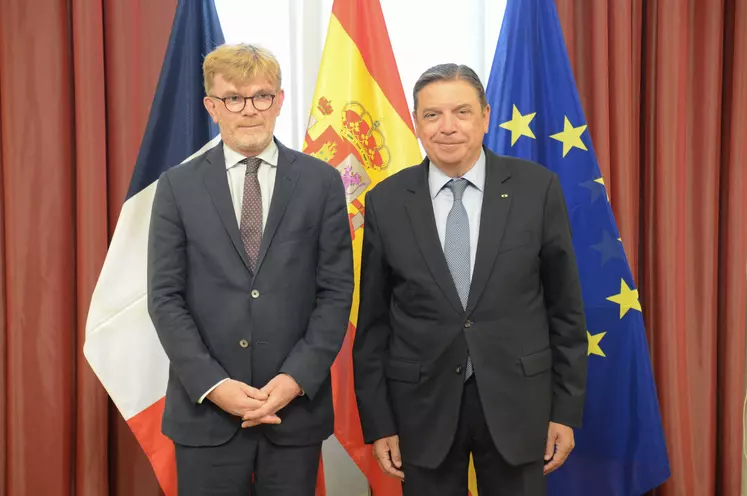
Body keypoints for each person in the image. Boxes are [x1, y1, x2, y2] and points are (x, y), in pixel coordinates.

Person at [352, 63, 588, 496]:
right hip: (421, 410)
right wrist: (379, 422)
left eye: (461, 112)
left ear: (484, 116)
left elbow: (566, 312)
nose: (448, 127)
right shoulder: (385, 201)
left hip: (520, 405)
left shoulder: (537, 189)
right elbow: (373, 326)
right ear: (417, 123)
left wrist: (565, 412)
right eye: (432, 115)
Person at [147, 43, 353, 496]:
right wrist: (214, 385)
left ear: (279, 101)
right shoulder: (177, 186)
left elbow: (337, 293)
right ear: (212, 107)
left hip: (293, 412)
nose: (249, 110)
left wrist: (296, 378)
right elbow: (164, 298)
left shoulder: (321, 183)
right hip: (206, 413)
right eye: (233, 99)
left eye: (261, 96)